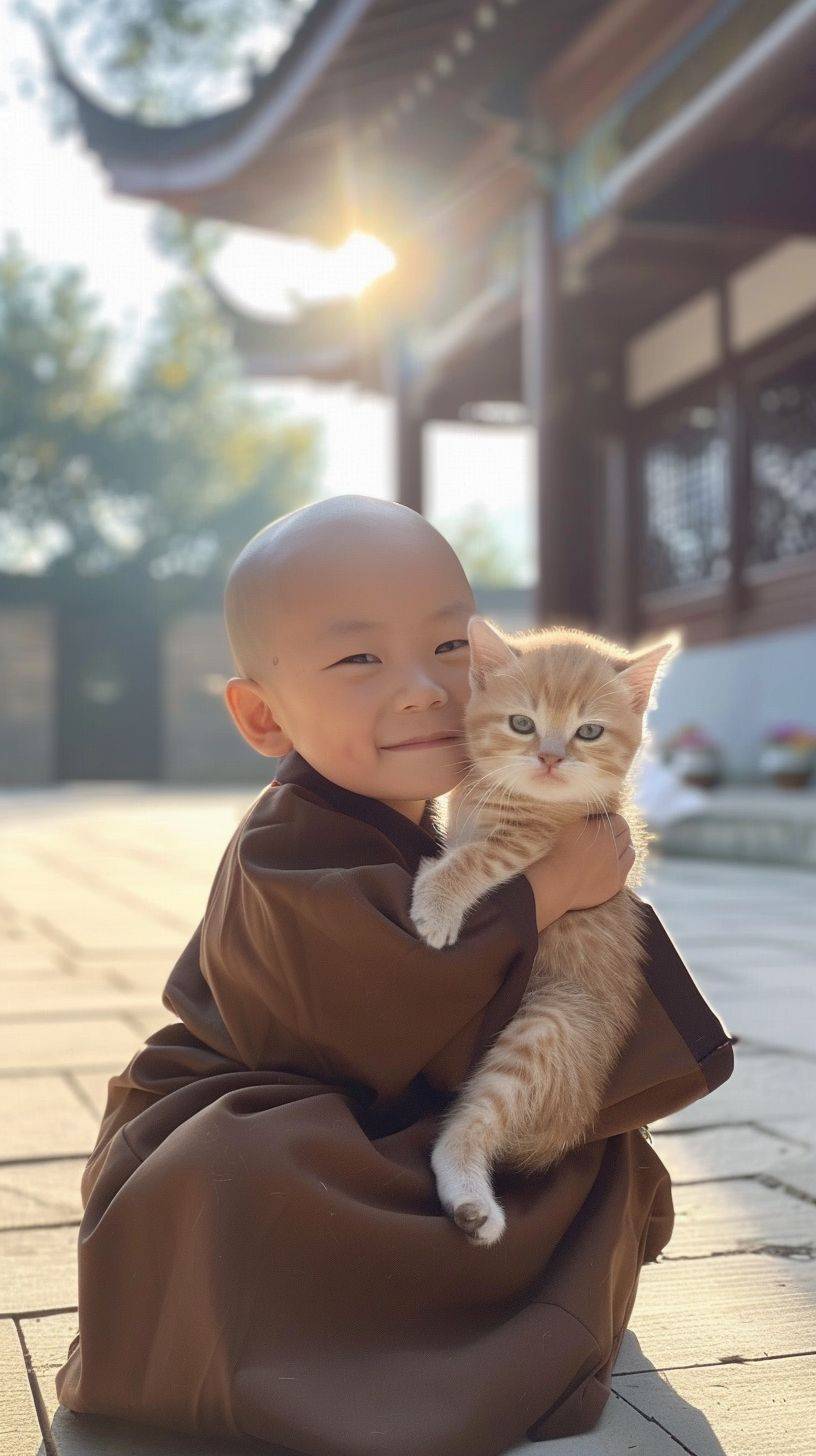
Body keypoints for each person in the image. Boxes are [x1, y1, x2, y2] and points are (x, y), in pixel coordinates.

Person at [55, 495, 734, 1454]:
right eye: (359, 658)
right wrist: (541, 893)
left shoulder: (454, 805)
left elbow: (549, 984)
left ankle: (501, 1274)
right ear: (261, 714)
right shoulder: (284, 840)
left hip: (411, 1098)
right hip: (293, 1100)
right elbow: (372, 991)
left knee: (579, 1151)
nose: (423, 689)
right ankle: (367, 1348)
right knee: (232, 1178)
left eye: (451, 650)